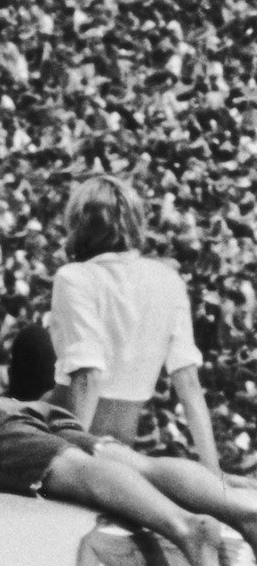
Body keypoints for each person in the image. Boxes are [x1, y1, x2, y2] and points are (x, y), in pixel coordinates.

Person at [0, 328, 242, 566]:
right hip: (22, 409)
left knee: (76, 469)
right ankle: (242, 510)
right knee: (138, 463)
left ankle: (184, 527)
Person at [48, 175, 220, 475]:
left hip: (75, 431)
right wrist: (213, 472)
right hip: (124, 438)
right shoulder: (168, 278)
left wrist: (74, 460)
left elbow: (88, 375)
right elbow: (188, 382)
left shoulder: (74, 276)